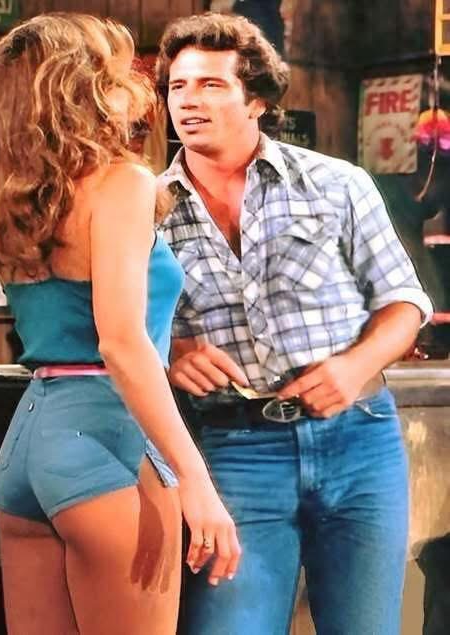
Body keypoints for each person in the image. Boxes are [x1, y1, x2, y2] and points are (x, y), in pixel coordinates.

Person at [0, 13, 241, 635]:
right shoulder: (119, 183)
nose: (135, 85)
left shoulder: (9, 196)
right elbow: (124, 344)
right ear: (83, 87)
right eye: (118, 71)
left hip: (28, 445)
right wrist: (196, 480)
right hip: (109, 436)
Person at [156, 12, 434, 635]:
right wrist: (171, 350)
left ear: (256, 99)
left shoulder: (336, 184)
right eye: (178, 86)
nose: (189, 101)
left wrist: (355, 367)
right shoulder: (147, 208)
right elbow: (120, 326)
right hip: (232, 447)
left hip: (358, 441)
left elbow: (404, 303)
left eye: (211, 84)